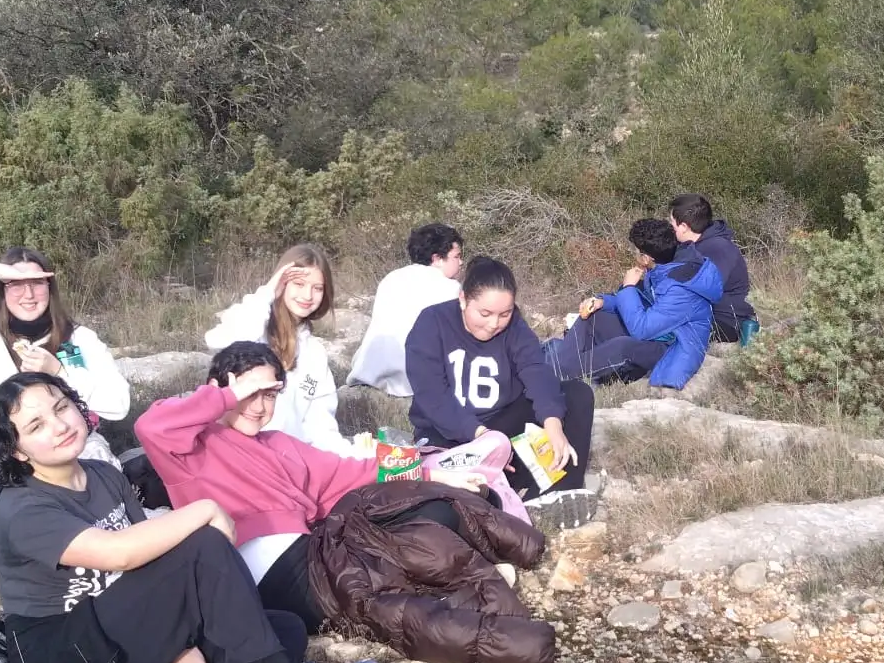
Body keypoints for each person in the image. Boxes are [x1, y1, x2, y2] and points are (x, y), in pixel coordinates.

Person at [0, 372, 377, 663]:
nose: (59, 425)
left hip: (122, 637)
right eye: (36, 426)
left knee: (284, 627)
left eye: (61, 407)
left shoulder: (103, 474)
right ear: (17, 450)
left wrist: (180, 649)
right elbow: (120, 553)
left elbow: (150, 565)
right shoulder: (22, 510)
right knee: (202, 544)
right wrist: (205, 508)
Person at [136, 342, 558, 663]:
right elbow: (150, 426)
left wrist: (429, 473)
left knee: (424, 505)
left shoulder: (278, 443)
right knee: (379, 591)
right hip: (273, 576)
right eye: (250, 393)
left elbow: (349, 472)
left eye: (270, 394)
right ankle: (500, 620)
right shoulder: (192, 449)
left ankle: (490, 566)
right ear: (219, 389)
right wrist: (225, 396)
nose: (260, 407)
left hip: (318, 547)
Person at [0, 248, 133, 592]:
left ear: (51, 287)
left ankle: (100, 537)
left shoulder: (78, 339)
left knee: (93, 446)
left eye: (37, 283)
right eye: (15, 284)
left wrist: (60, 371)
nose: (29, 294)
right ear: (1, 290)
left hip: (57, 450)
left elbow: (118, 404)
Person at [405, 256, 600, 531]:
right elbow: (432, 396)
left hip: (501, 428)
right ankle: (496, 496)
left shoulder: (515, 327)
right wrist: (486, 440)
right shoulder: (432, 323)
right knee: (454, 499)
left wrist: (553, 424)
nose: (494, 324)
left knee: (577, 395)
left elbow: (536, 371)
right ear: (463, 299)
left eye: (504, 314)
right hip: (450, 436)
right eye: (484, 314)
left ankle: (555, 493)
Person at [203, 244, 356, 457]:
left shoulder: (315, 352)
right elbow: (220, 340)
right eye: (299, 284)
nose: (307, 295)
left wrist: (350, 458)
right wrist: (268, 293)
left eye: (317, 288)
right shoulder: (256, 327)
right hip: (237, 454)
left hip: (288, 460)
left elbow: (321, 425)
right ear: (282, 282)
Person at [544, 218, 722, 389]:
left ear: (646, 258)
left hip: (672, 347)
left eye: (636, 251)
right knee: (594, 317)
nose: (634, 254)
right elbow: (643, 303)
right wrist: (603, 302)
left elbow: (641, 329)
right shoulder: (664, 266)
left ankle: (555, 372)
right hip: (655, 332)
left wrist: (628, 287)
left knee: (623, 347)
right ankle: (559, 366)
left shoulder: (681, 288)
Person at [347, 224, 465, 397]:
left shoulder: (392, 277)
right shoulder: (450, 288)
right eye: (457, 256)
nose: (461, 262)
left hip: (370, 370)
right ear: (437, 258)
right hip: (411, 380)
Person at [669, 193, 755, 343]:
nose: (670, 227)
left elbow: (706, 289)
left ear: (683, 227)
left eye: (671, 223)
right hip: (707, 314)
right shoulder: (692, 246)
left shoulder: (718, 248)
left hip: (727, 320)